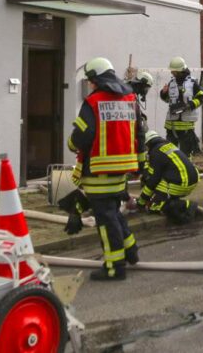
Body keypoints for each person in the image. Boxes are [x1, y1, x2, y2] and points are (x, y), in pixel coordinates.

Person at [67, 57, 143, 281]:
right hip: (122, 171)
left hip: (99, 172)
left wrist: (71, 144)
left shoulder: (93, 101)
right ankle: (131, 253)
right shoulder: (130, 98)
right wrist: (140, 165)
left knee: (106, 221)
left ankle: (114, 267)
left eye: (90, 80)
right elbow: (140, 132)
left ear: (96, 80)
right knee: (115, 215)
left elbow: (81, 136)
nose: (89, 84)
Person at [136, 130, 199, 224]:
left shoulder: (156, 152)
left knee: (154, 207)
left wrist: (141, 201)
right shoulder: (166, 146)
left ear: (148, 143)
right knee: (157, 190)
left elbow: (153, 181)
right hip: (190, 180)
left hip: (181, 183)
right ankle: (172, 199)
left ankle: (186, 205)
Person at [160, 56, 203, 156]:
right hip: (171, 127)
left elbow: (201, 97)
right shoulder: (171, 83)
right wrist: (163, 93)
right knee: (170, 154)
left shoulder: (192, 83)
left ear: (180, 71)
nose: (172, 73)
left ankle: (186, 170)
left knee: (186, 155)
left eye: (174, 71)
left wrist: (190, 105)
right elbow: (167, 100)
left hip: (186, 128)